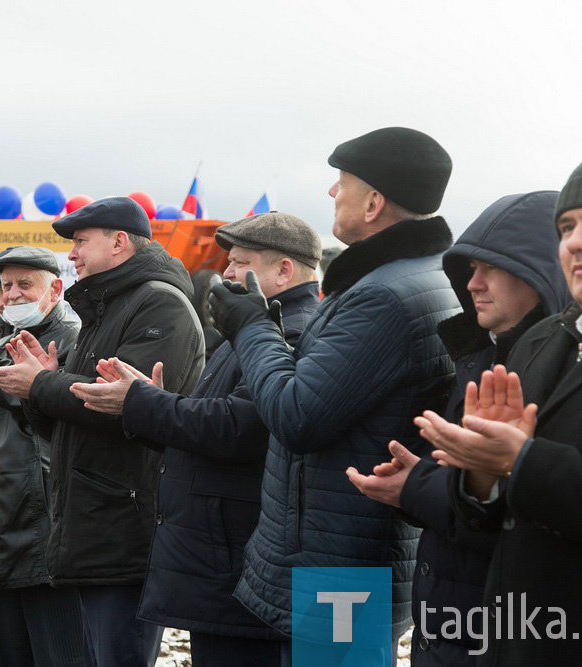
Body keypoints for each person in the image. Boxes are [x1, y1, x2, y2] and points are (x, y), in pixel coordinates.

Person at [208, 127, 459, 662]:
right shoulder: (406, 278)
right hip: (344, 546)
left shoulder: (385, 296)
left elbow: (298, 414)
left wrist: (251, 326)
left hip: (342, 565)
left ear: (374, 202)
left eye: (340, 182)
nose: (330, 194)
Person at [70, 212, 322, 665]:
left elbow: (239, 428)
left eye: (239, 262)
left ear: (283, 270)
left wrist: (142, 403)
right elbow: (210, 423)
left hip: (239, 556)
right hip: (224, 557)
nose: (225, 274)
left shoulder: (292, 328)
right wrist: (152, 403)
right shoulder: (251, 327)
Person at [421, 146, 582, 663]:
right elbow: (494, 513)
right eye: (566, 227)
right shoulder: (541, 340)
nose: (577, 241)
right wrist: (480, 476)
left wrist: (521, 464)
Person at [345, 191, 569, 665]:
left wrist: (416, 486)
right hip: (449, 616)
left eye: (492, 268)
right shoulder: (478, 358)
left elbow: (530, 518)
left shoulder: (558, 372)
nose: (473, 284)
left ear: (542, 271)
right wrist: (412, 474)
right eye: (468, 268)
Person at [0, 197, 205, 667]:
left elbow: (125, 405)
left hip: (125, 516)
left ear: (120, 242)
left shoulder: (159, 304)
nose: (72, 254)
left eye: (82, 242)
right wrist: (36, 391)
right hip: (93, 515)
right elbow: (66, 420)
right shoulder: (105, 307)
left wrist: (42, 383)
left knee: (120, 655)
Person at [0, 246, 82, 665]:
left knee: (57, 652)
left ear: (55, 288)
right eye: (7, 286)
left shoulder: (73, 338)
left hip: (41, 521)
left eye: (26, 284)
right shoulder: (2, 338)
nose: (14, 295)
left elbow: (43, 406)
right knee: (7, 653)